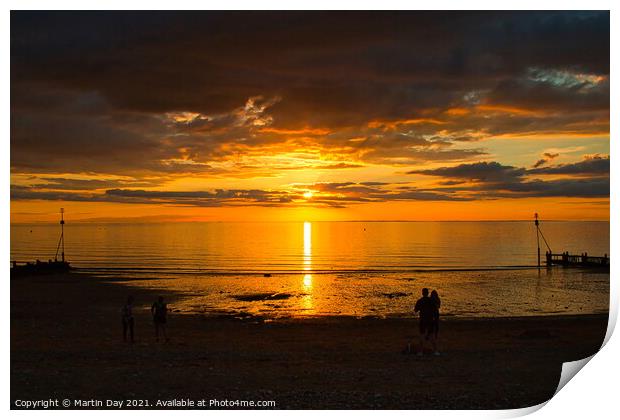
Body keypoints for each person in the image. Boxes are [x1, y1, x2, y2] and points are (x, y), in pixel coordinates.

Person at [414, 288, 438, 356]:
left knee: (422, 335)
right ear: (428, 293)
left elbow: (415, 310)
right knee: (431, 336)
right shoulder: (431, 301)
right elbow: (435, 309)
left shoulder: (420, 301)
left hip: (423, 320)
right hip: (430, 320)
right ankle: (435, 351)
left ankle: (421, 352)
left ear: (422, 293)